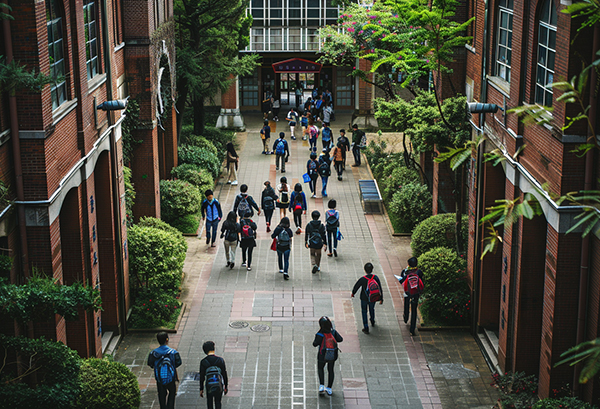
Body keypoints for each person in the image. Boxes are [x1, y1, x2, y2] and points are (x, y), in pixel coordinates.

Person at [147, 331, 182, 409]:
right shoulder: (173, 352)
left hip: (159, 379)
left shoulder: (153, 353)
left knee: (161, 394)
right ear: (167, 340)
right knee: (172, 393)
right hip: (171, 378)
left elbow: (150, 364)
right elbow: (178, 363)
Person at [313, 317, 343, 396]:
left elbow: (314, 344)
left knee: (320, 368)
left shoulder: (320, 334)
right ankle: (329, 388)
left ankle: (322, 385)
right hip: (332, 355)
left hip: (322, 355)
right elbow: (340, 339)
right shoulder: (333, 332)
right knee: (330, 370)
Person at [351, 263, 384, 334]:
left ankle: (366, 327)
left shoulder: (363, 279)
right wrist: (381, 298)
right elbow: (380, 288)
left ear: (365, 270)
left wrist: (353, 293)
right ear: (372, 269)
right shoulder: (375, 277)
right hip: (373, 297)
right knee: (372, 308)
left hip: (364, 298)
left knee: (364, 311)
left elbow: (356, 286)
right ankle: (372, 320)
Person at [397, 257, 425, 336]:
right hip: (416, 293)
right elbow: (421, 281)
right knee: (414, 310)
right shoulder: (419, 272)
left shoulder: (405, 272)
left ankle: (406, 317)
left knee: (406, 304)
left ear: (408, 264)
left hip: (407, 292)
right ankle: (412, 329)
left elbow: (402, 281)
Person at [199, 340, 228, 409]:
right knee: (218, 401)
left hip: (209, 385)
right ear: (213, 348)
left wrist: (201, 388)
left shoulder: (203, 362)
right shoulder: (220, 360)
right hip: (218, 384)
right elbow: (224, 374)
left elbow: (202, 376)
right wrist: (226, 386)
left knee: (209, 402)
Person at [305, 210, 327, 274]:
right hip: (319, 243)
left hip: (312, 242)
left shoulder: (309, 225)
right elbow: (323, 235)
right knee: (318, 254)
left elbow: (307, 234)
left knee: (312, 254)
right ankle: (318, 265)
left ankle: (313, 264)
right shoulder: (321, 225)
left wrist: (306, 242)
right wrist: (325, 243)